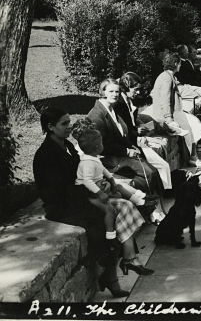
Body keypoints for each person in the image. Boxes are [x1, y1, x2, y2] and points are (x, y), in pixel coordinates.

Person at [33, 108, 150, 299]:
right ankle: (112, 275)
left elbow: (83, 174)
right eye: (64, 123)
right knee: (106, 219)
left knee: (125, 207)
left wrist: (99, 184)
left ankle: (121, 266)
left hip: (82, 198)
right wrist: (92, 190)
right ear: (50, 127)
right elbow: (56, 192)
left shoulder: (68, 146)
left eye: (69, 121)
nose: (69, 126)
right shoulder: (45, 155)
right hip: (62, 206)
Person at [87, 79, 166, 224]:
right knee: (148, 172)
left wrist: (132, 146)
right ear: (102, 92)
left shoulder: (113, 109)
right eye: (110, 91)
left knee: (152, 170)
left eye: (117, 91)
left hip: (120, 153)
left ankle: (156, 209)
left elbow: (121, 134)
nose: (115, 94)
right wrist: (127, 151)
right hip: (108, 158)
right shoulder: (97, 115)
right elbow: (103, 144)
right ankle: (153, 211)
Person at [72, 121, 151, 246]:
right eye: (101, 143)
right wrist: (100, 193)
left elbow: (103, 170)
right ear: (97, 148)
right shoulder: (86, 162)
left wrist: (112, 181)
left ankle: (140, 203)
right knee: (110, 209)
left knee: (119, 193)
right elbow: (87, 181)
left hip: (99, 185)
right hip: (91, 193)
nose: (103, 145)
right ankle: (111, 235)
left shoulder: (94, 158)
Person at [116, 72, 173, 192]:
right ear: (126, 87)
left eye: (139, 89)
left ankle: (166, 192)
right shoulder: (119, 104)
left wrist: (139, 129)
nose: (138, 92)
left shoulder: (128, 101)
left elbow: (130, 124)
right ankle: (164, 194)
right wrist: (137, 132)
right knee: (159, 167)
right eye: (135, 89)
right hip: (131, 146)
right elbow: (123, 128)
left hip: (136, 141)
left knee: (163, 166)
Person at [146, 52, 201, 166]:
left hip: (174, 112)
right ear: (175, 64)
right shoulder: (166, 78)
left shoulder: (167, 76)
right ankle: (192, 157)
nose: (180, 66)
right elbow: (165, 99)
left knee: (195, 122)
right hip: (167, 115)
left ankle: (193, 156)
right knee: (193, 124)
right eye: (179, 63)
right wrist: (169, 119)